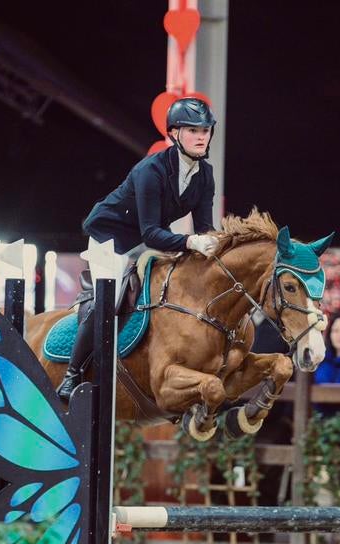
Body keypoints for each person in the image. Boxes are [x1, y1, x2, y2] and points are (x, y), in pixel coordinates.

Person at [57, 98, 220, 400]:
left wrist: (213, 245)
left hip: (149, 238)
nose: (201, 137)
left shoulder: (205, 174)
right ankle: (72, 375)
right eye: (193, 130)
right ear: (174, 133)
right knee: (109, 297)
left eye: (205, 130)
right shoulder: (151, 170)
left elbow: (204, 229)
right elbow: (152, 233)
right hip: (111, 239)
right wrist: (189, 242)